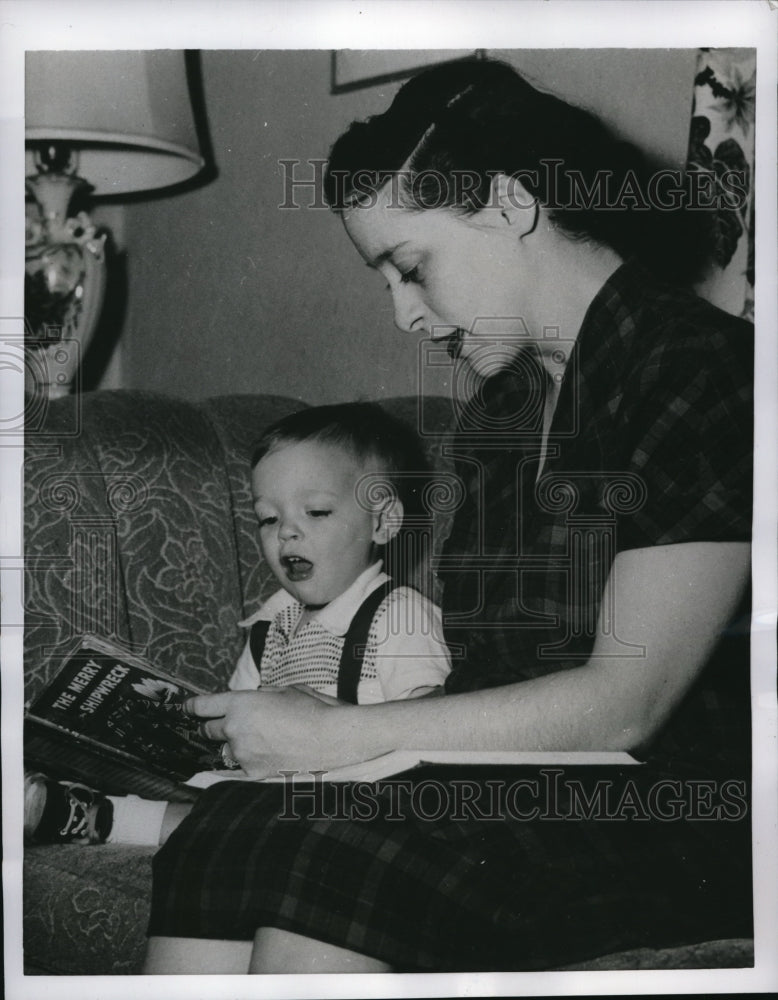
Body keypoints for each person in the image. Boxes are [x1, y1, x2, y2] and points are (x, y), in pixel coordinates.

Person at [144, 57, 753, 974]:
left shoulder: (705, 370)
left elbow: (628, 706)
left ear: (509, 204)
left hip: (703, 812)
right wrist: (312, 734)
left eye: (411, 267)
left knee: (351, 846)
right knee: (238, 818)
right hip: (551, 788)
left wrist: (335, 734)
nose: (402, 315)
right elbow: (489, 681)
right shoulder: (504, 414)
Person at [25, 402, 451, 849]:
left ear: (382, 521)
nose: (286, 532)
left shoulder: (399, 616)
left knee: (259, 814)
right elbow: (239, 722)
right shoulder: (270, 627)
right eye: (268, 518)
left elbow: (432, 732)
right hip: (274, 792)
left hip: (364, 807)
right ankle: (89, 808)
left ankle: (108, 819)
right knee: (228, 795)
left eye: (317, 512)